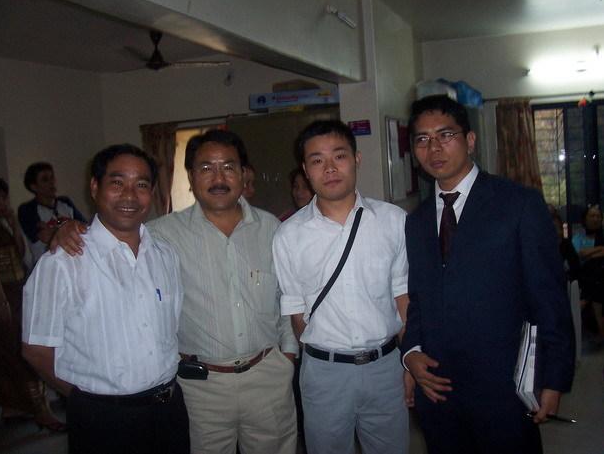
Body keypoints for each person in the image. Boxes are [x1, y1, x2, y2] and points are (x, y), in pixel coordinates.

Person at [52, 130, 298, 454]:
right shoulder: (159, 235)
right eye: (206, 168)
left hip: (267, 377)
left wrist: (287, 357)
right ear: (191, 177)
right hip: (200, 388)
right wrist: (68, 229)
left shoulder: (273, 230)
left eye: (228, 167)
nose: (218, 178)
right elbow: (112, 231)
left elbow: (287, 296)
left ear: (243, 173)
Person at [401, 95, 575, 454]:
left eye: (445, 135)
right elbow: (418, 298)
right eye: (422, 139)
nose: (434, 148)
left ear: (470, 140)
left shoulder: (518, 204)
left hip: (504, 386)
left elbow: (549, 298)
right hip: (439, 390)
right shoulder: (416, 221)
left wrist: (553, 378)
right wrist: (411, 353)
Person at [22, 145, 190, 454]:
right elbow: (36, 349)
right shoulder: (62, 261)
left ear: (152, 192)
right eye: (117, 182)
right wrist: (87, 400)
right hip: (102, 418)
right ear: (94, 187)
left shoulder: (165, 255)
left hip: (169, 410)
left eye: (141, 185)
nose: (130, 195)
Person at [273, 120, 411, 454]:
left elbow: (402, 296)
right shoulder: (289, 235)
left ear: (356, 159)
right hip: (324, 374)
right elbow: (295, 312)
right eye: (317, 160)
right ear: (306, 170)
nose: (330, 168)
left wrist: (408, 362)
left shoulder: (393, 220)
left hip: (385, 367)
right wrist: (327, 353)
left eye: (339, 156)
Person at [0, 176, 65, 431]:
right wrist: (1, 300)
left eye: (3, 198)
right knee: (12, 352)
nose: (1, 203)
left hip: (16, 289)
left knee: (16, 348)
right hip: (1, 296)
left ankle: (27, 408)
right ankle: (35, 409)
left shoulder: (5, 224)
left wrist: (13, 223)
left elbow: (21, 253)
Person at [18, 162, 86, 265]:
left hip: (73, 262)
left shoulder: (65, 202)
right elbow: (45, 236)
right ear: (34, 187)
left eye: (52, 178)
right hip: (46, 265)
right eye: (45, 179)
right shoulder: (27, 209)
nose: (52, 182)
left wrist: (54, 229)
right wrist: (69, 227)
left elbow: (84, 229)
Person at [572, 204, 604, 339]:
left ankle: (586, 299)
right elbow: (580, 254)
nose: (595, 219)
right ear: (585, 219)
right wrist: (600, 250)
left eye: (598, 216)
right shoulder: (579, 237)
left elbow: (586, 254)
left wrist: (590, 254)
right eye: (592, 216)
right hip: (584, 277)